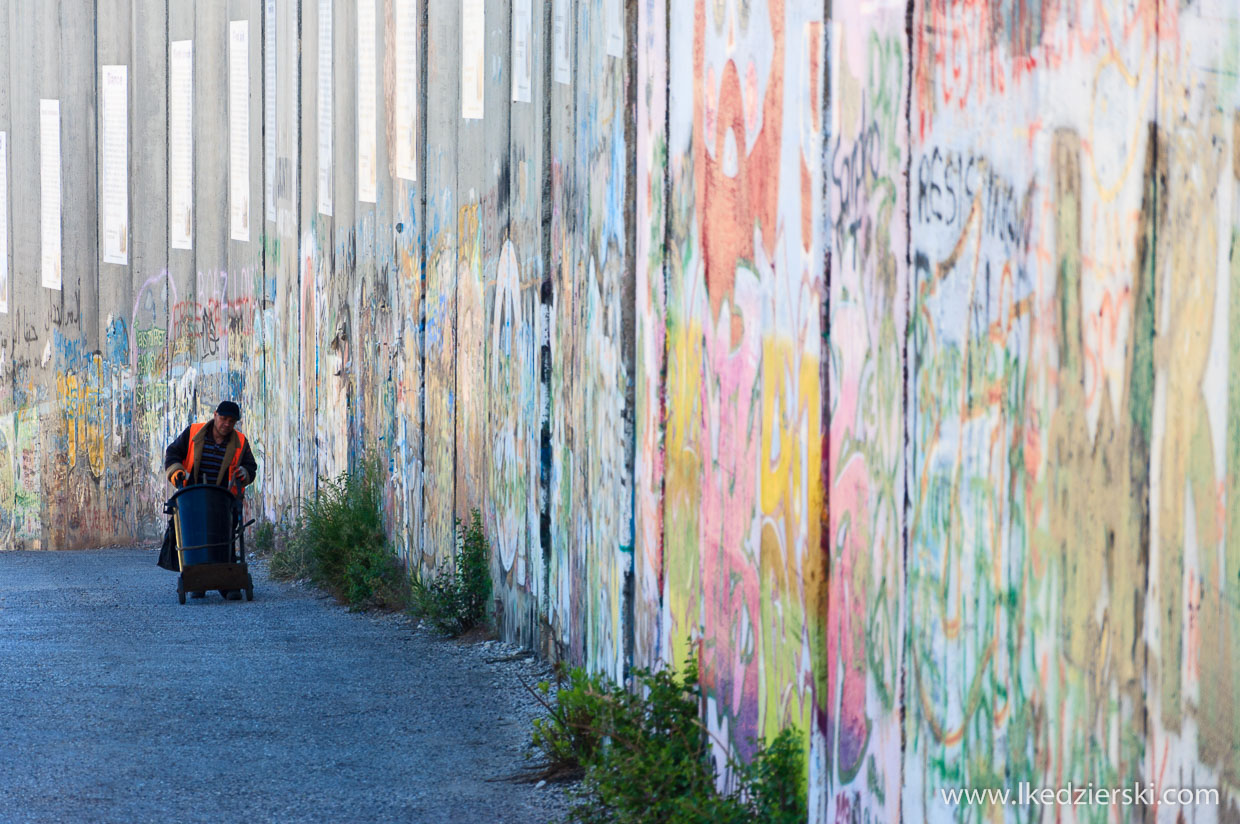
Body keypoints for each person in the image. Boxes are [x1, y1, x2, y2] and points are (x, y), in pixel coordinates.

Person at [157, 401, 258, 600]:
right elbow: (173, 453)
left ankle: (228, 585)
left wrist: (244, 472)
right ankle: (197, 580)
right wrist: (177, 472)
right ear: (215, 415)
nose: (226, 424)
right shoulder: (193, 433)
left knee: (224, 538)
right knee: (195, 538)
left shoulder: (240, 442)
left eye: (231, 421)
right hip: (193, 497)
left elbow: (250, 467)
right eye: (223, 419)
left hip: (223, 500)